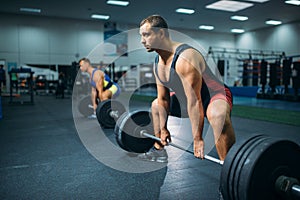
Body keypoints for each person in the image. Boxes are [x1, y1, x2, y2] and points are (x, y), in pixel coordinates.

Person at [138, 15, 236, 163]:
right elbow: (163, 99)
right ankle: (159, 149)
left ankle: (230, 169)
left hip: (212, 95)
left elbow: (195, 101)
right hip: (185, 98)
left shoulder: (186, 58)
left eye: (146, 35)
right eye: (141, 36)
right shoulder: (158, 63)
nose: (142, 40)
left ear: (161, 33)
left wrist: (198, 139)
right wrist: (163, 129)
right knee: (156, 105)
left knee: (218, 116)